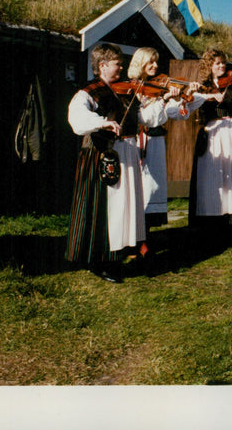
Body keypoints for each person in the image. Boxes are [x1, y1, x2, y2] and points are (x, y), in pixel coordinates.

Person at [66, 43, 171, 283]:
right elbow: (76, 117)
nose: (122, 68)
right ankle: (99, 260)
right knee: (104, 208)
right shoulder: (89, 92)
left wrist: (163, 100)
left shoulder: (126, 91)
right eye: (117, 64)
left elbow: (145, 117)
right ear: (102, 66)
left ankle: (117, 255)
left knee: (124, 207)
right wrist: (102, 123)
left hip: (127, 153)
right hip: (103, 155)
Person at [188, 48, 232, 244]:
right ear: (209, 66)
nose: (222, 66)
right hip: (213, 134)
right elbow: (190, 104)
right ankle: (213, 230)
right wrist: (205, 95)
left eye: (223, 63)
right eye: (217, 63)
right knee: (213, 180)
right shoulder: (202, 87)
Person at [127, 48, 198, 236]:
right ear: (139, 63)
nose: (155, 66)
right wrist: (161, 98)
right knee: (137, 186)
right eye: (150, 62)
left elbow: (175, 114)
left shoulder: (160, 87)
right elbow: (142, 116)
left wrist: (182, 97)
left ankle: (146, 233)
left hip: (156, 141)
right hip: (137, 141)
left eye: (156, 62)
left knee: (153, 187)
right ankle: (134, 236)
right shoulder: (131, 87)